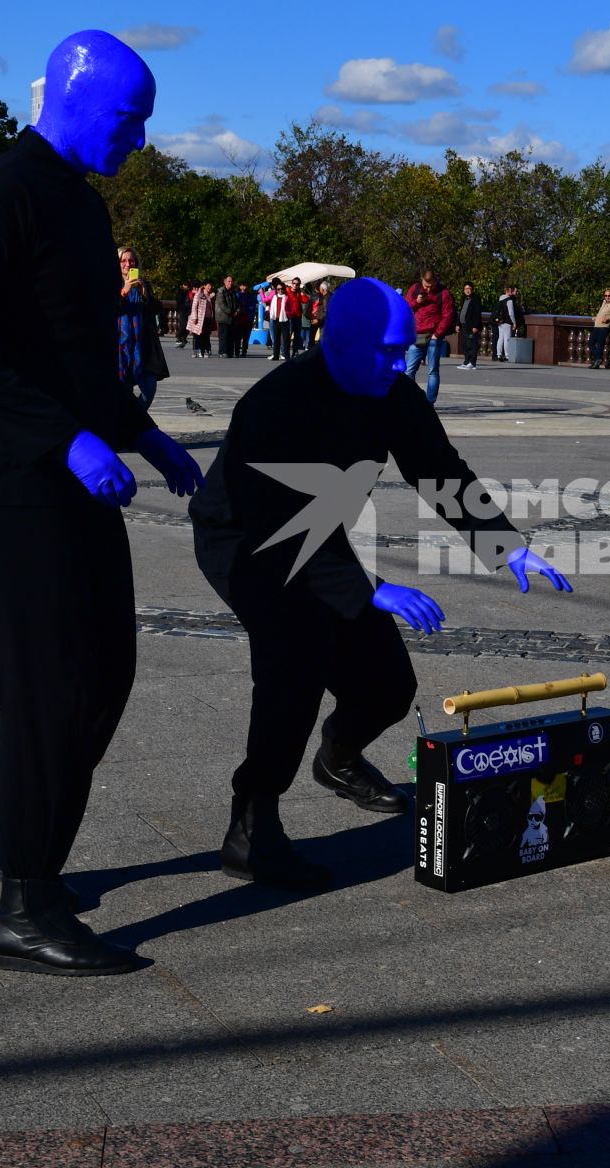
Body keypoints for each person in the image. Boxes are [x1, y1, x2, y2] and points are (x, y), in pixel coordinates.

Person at [0, 29, 206, 977]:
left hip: (74, 473)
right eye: (129, 120)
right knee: (48, 689)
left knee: (107, 670)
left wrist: (144, 435)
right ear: (74, 98)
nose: (139, 140)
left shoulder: (82, 209)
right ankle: (27, 906)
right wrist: (64, 439)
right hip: (5, 482)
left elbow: (80, 360)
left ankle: (14, 830)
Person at [187, 278, 572, 887]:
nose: (403, 362)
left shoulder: (391, 390)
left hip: (320, 540)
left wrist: (508, 547)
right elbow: (277, 521)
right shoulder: (276, 401)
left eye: (407, 348)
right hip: (245, 537)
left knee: (388, 685)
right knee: (296, 661)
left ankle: (338, 758)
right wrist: (368, 589)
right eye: (390, 350)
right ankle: (252, 828)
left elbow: (439, 470)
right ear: (340, 341)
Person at [117, 247, 168, 410]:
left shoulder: (143, 284)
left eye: (131, 260)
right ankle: (127, 428)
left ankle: (133, 423)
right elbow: (106, 311)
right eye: (123, 261)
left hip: (143, 347)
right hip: (121, 348)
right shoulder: (111, 284)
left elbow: (157, 309)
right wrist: (123, 293)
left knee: (149, 389)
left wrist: (145, 295)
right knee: (124, 391)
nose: (127, 264)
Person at [402, 269, 454, 402]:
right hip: (417, 335)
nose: (428, 289)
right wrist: (417, 302)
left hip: (434, 337)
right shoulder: (415, 289)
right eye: (426, 286)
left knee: (433, 371)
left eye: (431, 286)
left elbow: (447, 316)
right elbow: (404, 309)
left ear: (436, 280)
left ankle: (430, 403)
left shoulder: (444, 293)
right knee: (409, 371)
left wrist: (438, 334)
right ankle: (410, 399)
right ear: (421, 281)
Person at [457, 281, 484, 368]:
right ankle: (466, 361)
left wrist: (475, 326)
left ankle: (472, 363)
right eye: (465, 289)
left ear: (472, 289)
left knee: (472, 344)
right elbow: (461, 312)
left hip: (471, 326)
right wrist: (458, 324)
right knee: (465, 344)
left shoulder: (475, 299)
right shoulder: (463, 299)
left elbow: (477, 313)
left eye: (469, 288)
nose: (467, 290)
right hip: (464, 325)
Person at [591, 289, 610, 369]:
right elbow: (601, 313)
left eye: (609, 295)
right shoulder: (604, 302)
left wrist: (608, 318)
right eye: (606, 295)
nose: (607, 297)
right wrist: (597, 318)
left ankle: (597, 361)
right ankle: (598, 359)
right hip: (597, 325)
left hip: (604, 326)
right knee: (591, 343)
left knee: (600, 343)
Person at [216, 276, 241, 358]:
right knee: (223, 336)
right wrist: (231, 312)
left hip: (233, 318)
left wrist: (237, 311)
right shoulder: (221, 291)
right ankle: (222, 352)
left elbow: (238, 304)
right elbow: (222, 304)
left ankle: (230, 352)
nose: (230, 283)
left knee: (231, 336)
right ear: (224, 282)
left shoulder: (233, 291)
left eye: (231, 281)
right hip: (224, 317)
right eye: (229, 281)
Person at [187, 283, 215, 357]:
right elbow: (194, 306)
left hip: (208, 318)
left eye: (211, 286)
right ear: (204, 286)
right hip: (199, 318)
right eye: (208, 285)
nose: (210, 287)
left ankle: (205, 350)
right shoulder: (199, 294)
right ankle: (195, 350)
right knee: (197, 334)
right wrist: (195, 317)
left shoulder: (212, 296)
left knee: (206, 335)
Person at [496, 284, 522, 361]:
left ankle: (499, 354)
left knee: (500, 338)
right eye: (514, 291)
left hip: (500, 321)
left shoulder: (501, 298)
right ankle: (507, 355)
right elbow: (511, 312)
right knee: (507, 338)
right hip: (507, 321)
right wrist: (514, 322)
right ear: (509, 291)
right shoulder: (509, 300)